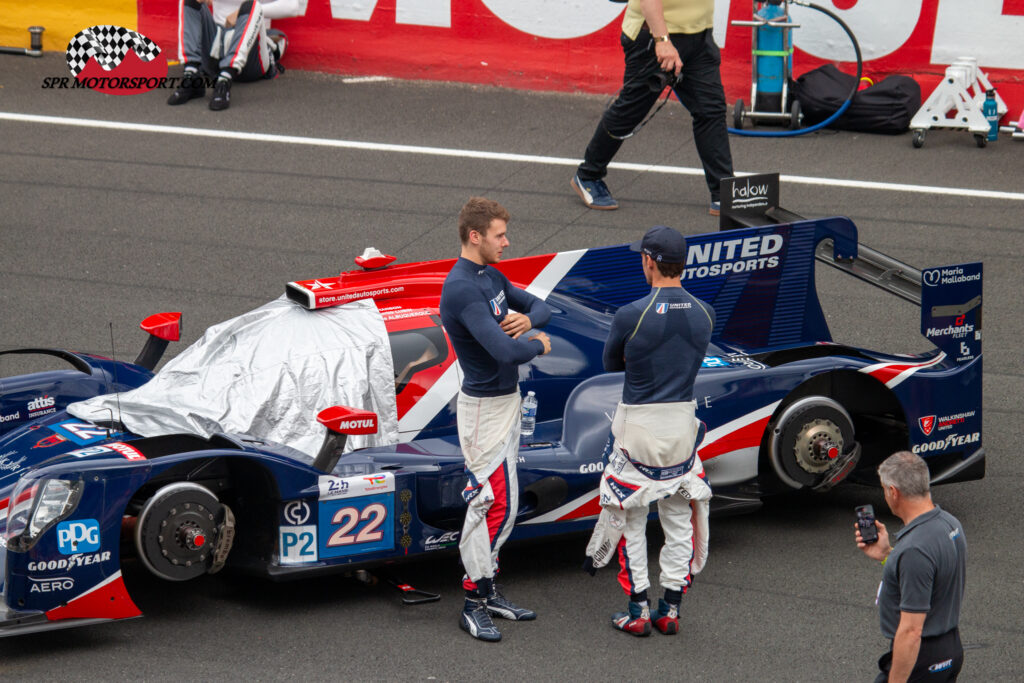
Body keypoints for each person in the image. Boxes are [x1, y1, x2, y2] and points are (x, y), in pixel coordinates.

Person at [583, 225, 715, 636]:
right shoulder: (705, 312)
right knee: (678, 518)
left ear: (650, 261)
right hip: (681, 430)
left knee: (630, 518)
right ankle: (670, 608)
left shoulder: (630, 314)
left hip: (638, 429)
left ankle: (637, 610)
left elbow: (610, 364)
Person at [438, 197, 553, 642]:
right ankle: (472, 603)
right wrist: (539, 344)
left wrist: (527, 321)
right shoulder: (463, 287)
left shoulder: (491, 274)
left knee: (504, 502)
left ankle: (488, 590)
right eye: (500, 235)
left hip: (505, 401)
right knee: (491, 504)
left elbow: (540, 307)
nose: (507, 241)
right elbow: (504, 351)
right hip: (485, 409)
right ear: (475, 236)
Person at [571, 0, 734, 215]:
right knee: (630, 111)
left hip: (698, 35)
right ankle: (588, 175)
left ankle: (725, 194)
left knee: (711, 110)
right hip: (653, 38)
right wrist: (662, 40)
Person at [855, 451, 967, 682]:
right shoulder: (950, 524)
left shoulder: (915, 549)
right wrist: (887, 554)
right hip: (950, 648)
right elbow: (930, 573)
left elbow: (912, 631)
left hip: (922, 660)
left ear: (893, 492)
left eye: (885, 489)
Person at [167, 0, 301, 111]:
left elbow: (293, 6)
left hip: (251, 55)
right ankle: (192, 75)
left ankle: (225, 80)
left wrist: (241, 13)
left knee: (252, 5)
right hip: (217, 49)